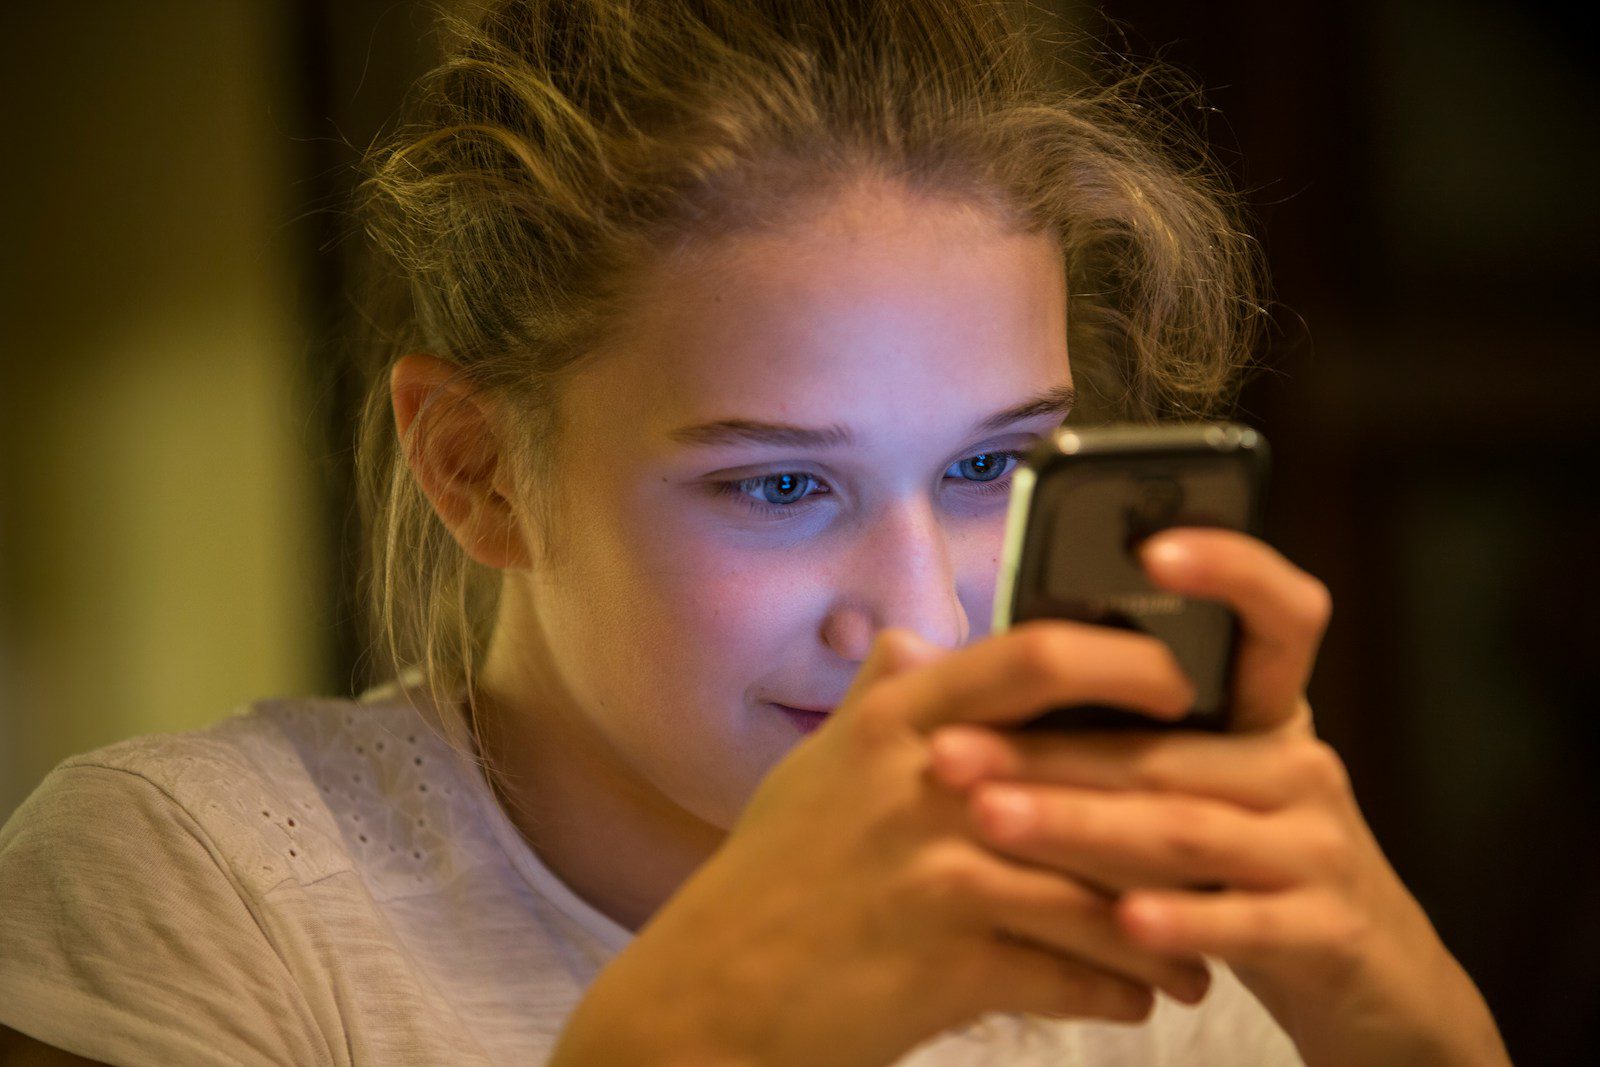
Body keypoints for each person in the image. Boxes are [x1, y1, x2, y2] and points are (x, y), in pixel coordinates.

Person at [0, 1, 1511, 1064]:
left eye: (992, 466)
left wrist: (1419, 1032)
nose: (921, 626)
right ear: (475, 469)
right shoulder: (195, 895)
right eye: (783, 487)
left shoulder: (1135, 950)